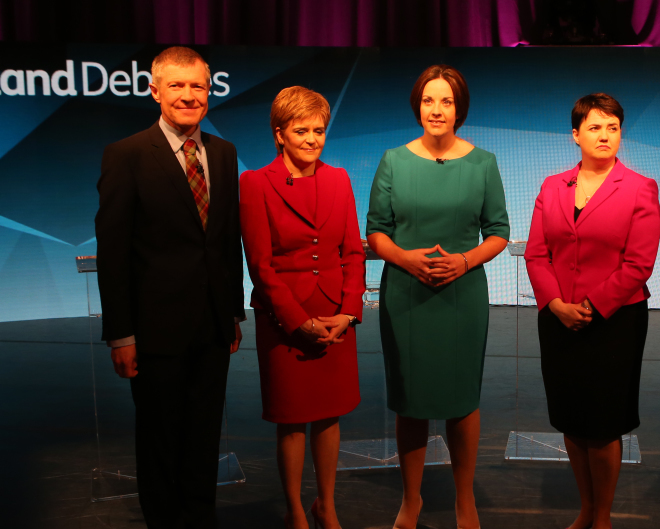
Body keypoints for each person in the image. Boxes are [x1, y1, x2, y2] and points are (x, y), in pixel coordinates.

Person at [95, 46, 245, 529]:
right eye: (176, 86)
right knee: (160, 438)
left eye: (197, 86)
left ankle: (200, 519)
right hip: (154, 331)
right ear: (154, 90)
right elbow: (113, 252)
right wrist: (121, 335)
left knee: (204, 435)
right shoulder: (127, 155)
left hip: (212, 326)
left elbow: (225, 240)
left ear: (209, 91)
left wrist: (234, 314)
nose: (188, 95)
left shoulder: (223, 153)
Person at [365, 64, 509, 529]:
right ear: (417, 105)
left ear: (459, 108)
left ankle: (465, 499)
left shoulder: (483, 162)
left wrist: (464, 261)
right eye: (429, 100)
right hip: (406, 294)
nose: (437, 109)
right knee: (411, 399)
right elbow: (377, 234)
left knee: (462, 399)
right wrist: (408, 261)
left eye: (446, 101)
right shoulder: (393, 160)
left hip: (462, 295)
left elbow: (499, 232)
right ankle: (412, 499)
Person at [524, 93, 660, 529]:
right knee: (570, 418)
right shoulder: (551, 185)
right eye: (595, 127)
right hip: (559, 319)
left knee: (602, 425)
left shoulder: (641, 187)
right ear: (575, 135)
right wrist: (557, 304)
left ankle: (602, 517)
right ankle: (585, 508)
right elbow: (535, 254)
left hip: (615, 322)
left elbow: (639, 264)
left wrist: (591, 306)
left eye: (613, 127)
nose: (605, 135)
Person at [240, 87, 365, 529]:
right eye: (301, 130)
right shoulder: (255, 182)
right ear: (279, 134)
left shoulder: (340, 179)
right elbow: (260, 264)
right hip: (285, 322)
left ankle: (326, 504)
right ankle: (295, 509)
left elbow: (353, 251)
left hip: (335, 318)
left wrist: (348, 313)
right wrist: (297, 321)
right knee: (292, 422)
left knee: (330, 417)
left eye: (319, 130)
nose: (312, 139)